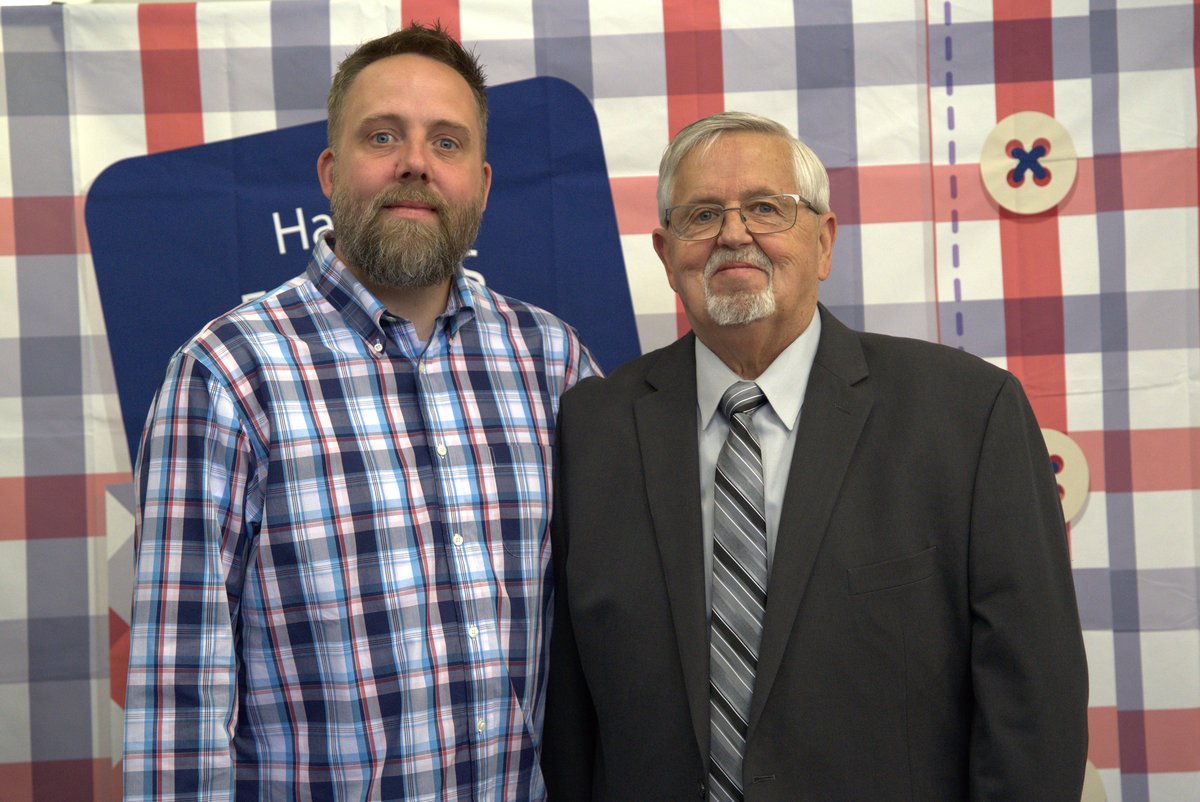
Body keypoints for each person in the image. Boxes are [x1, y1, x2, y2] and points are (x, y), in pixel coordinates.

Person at [541, 111, 1088, 800]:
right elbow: (569, 708)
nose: (734, 234)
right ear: (664, 251)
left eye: (766, 208)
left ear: (823, 242)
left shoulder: (968, 416)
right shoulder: (593, 427)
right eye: (703, 214)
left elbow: (1034, 707)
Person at [124, 23, 597, 800]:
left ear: (480, 184)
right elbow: (180, 705)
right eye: (384, 136)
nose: (415, 162)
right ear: (330, 170)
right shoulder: (228, 376)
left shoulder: (554, 363)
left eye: (446, 143)